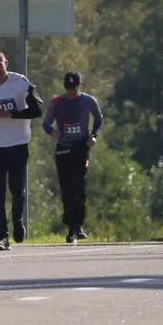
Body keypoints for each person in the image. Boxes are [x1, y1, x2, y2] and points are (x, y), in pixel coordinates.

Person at [0, 49, 42, 251]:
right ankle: (2, 236)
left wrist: (12, 114)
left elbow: (37, 110)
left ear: (7, 63)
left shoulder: (21, 83)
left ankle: (18, 221)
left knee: (16, 188)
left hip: (18, 144)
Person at [43, 70, 102, 243]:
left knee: (79, 186)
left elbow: (98, 119)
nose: (70, 92)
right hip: (63, 149)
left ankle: (78, 225)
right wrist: (52, 131)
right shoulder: (57, 102)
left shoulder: (88, 101)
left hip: (80, 149)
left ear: (79, 86)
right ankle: (71, 226)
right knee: (66, 187)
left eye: (73, 88)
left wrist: (93, 135)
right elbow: (46, 123)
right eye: (67, 88)